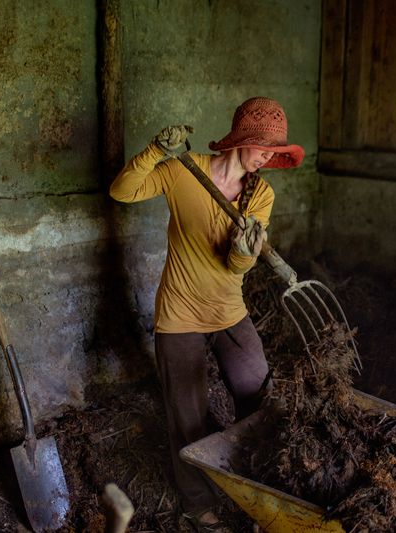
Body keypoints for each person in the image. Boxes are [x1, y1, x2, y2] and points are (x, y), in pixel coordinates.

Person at [109, 96, 304, 531]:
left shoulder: (262, 194)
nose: (268, 157)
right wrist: (156, 152)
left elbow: (235, 267)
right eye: (263, 148)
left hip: (230, 312)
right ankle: (198, 504)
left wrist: (242, 253)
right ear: (240, 141)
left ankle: (255, 484)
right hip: (179, 315)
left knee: (259, 396)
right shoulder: (183, 171)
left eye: (275, 151)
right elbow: (122, 191)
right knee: (188, 415)